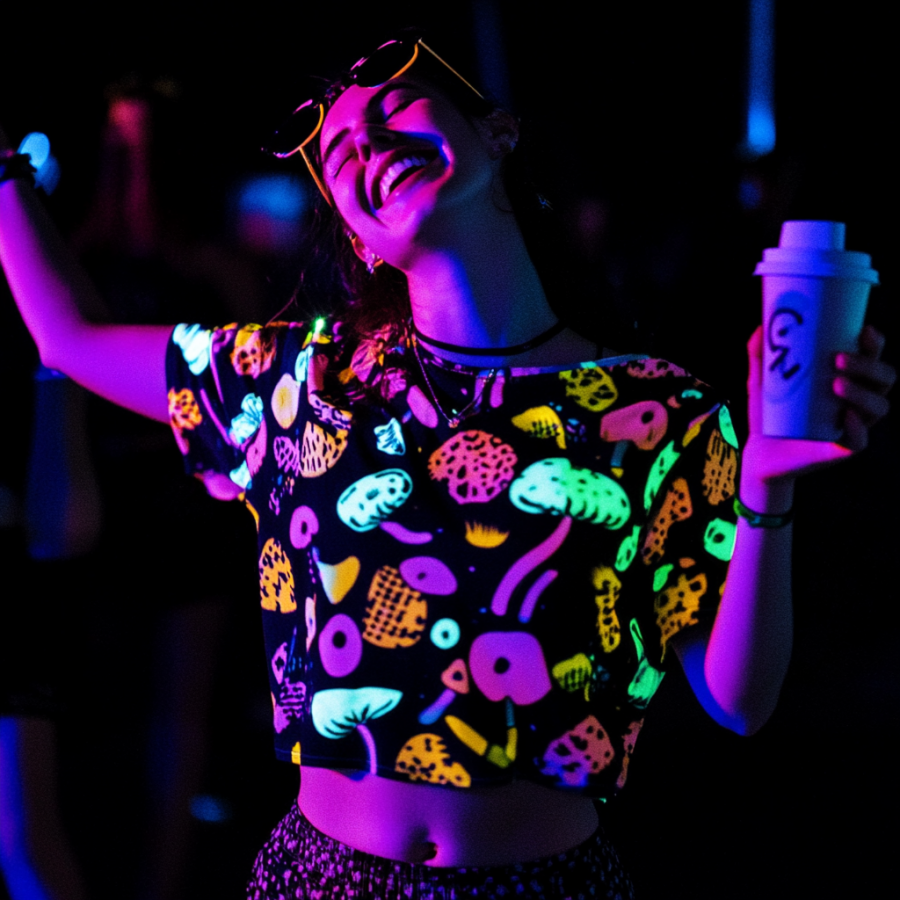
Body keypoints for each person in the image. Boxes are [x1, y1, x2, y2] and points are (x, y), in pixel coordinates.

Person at [1, 34, 894, 899]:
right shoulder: (302, 382)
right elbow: (70, 336)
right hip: (324, 880)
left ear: (498, 131)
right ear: (356, 236)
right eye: (342, 153)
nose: (372, 146)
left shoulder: (661, 416)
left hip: (547, 886)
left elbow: (739, 700)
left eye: (395, 110)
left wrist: (768, 485)